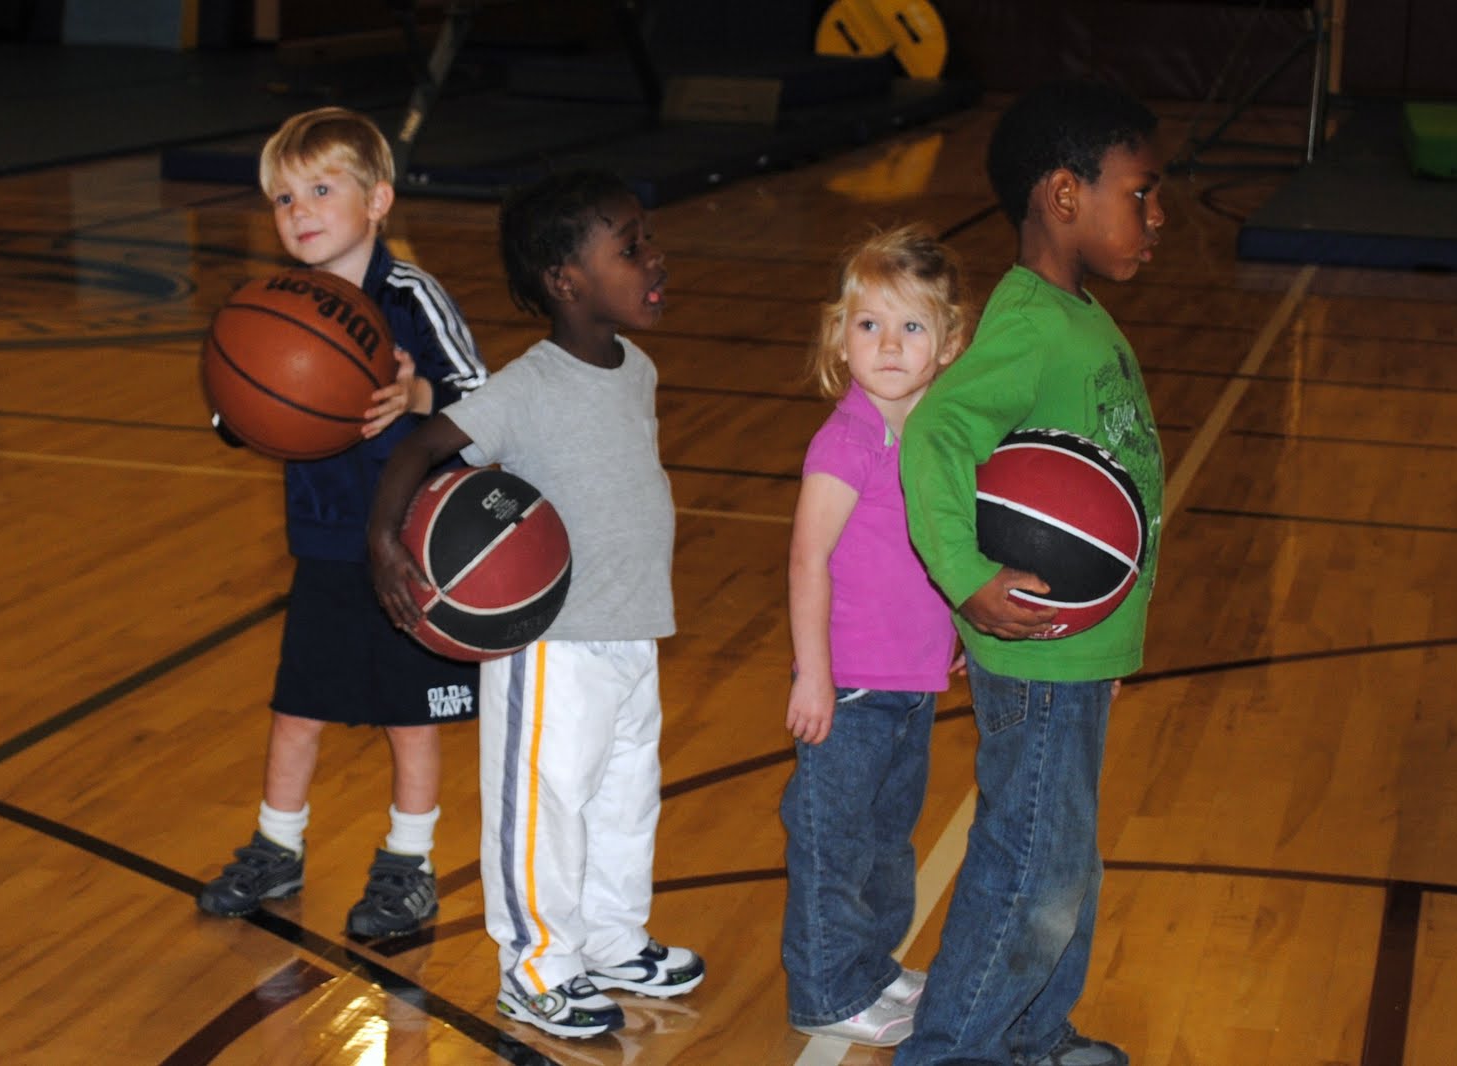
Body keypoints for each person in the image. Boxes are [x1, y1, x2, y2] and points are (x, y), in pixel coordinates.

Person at [365, 169, 704, 1041]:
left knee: (628, 799)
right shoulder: (527, 386)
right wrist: (384, 541)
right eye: (630, 248)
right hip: (552, 648)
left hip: (634, 633)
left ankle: (612, 941)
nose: (652, 257)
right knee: (544, 809)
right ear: (567, 282)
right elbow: (424, 447)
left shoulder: (641, 369)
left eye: (647, 238)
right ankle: (536, 971)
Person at [894, 81, 1167, 1066]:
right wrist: (966, 576)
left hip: (1076, 656)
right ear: (1063, 194)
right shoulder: (1027, 319)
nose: (1156, 215)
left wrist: (1113, 635)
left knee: (1064, 867)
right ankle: (951, 1052)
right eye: (1138, 192)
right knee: (1028, 873)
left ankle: (1031, 1036)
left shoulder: (1074, 313)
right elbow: (934, 437)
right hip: (1041, 661)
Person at [196, 106, 487, 940]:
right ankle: (276, 846)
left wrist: (422, 396)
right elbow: (238, 412)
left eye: (322, 189)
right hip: (324, 545)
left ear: (378, 199)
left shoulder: (411, 296)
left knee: (411, 718)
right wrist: (241, 406)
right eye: (284, 199)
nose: (301, 212)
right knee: (298, 707)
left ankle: (408, 865)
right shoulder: (270, 306)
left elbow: (487, 395)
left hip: (409, 546)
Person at [781, 224, 966, 1048]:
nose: (889, 345)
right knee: (833, 841)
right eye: (869, 325)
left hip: (911, 680)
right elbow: (808, 557)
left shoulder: (929, 438)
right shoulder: (847, 439)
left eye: (912, 327)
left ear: (949, 342)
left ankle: (870, 965)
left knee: (888, 837)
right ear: (840, 335)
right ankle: (826, 990)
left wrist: (953, 632)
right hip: (851, 684)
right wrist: (813, 675)